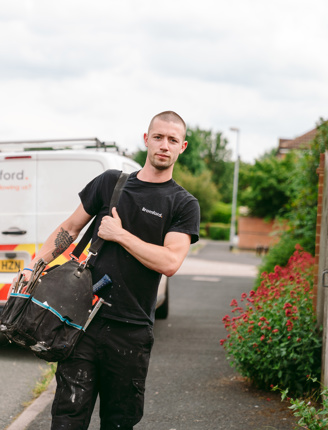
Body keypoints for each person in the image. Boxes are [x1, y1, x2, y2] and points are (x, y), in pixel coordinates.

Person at [19, 111, 200, 429]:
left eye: (172, 140)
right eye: (158, 137)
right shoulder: (110, 183)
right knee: (67, 419)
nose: (164, 145)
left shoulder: (183, 203)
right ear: (146, 139)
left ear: (182, 147)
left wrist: (119, 235)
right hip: (82, 323)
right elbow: (70, 228)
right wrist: (34, 266)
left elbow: (170, 262)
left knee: (118, 422)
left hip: (131, 331)